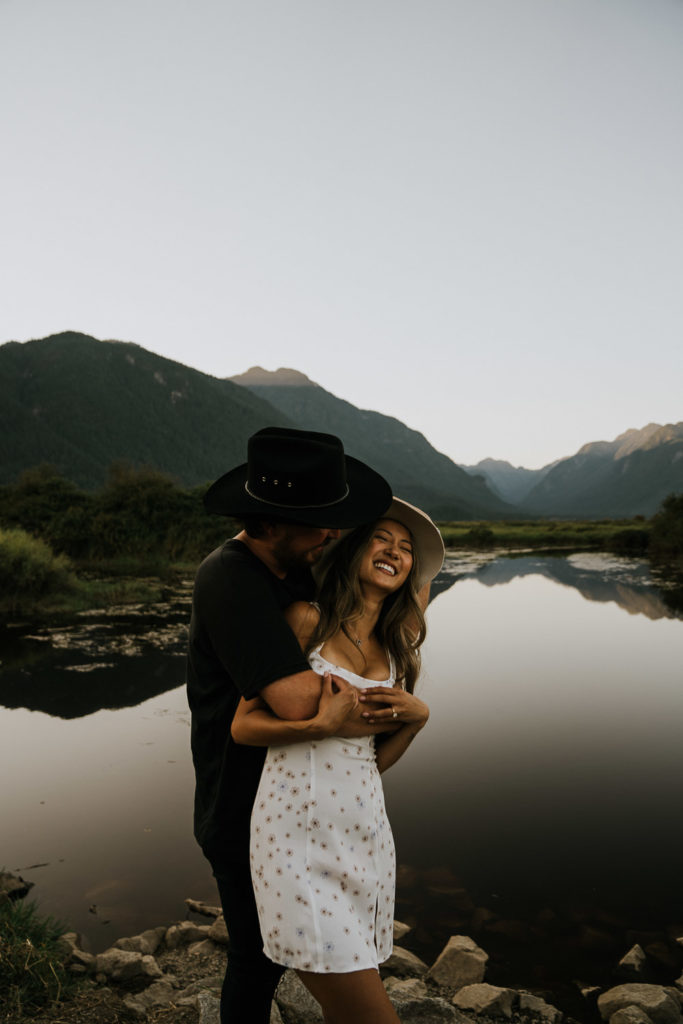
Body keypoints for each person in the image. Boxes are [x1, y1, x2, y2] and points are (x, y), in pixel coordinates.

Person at [186, 426, 394, 1024]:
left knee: (272, 957)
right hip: (243, 804)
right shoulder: (230, 578)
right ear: (268, 523)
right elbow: (306, 704)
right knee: (256, 958)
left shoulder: (296, 569)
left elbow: (360, 631)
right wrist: (392, 704)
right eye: (319, 522)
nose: (333, 533)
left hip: (295, 805)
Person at [231, 498, 445, 1024]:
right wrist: (315, 727)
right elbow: (243, 726)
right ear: (353, 548)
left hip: (366, 839)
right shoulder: (308, 622)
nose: (394, 552)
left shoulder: (396, 651)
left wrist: (416, 720)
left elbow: (370, 764)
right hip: (298, 844)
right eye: (382, 539)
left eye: (405, 550)